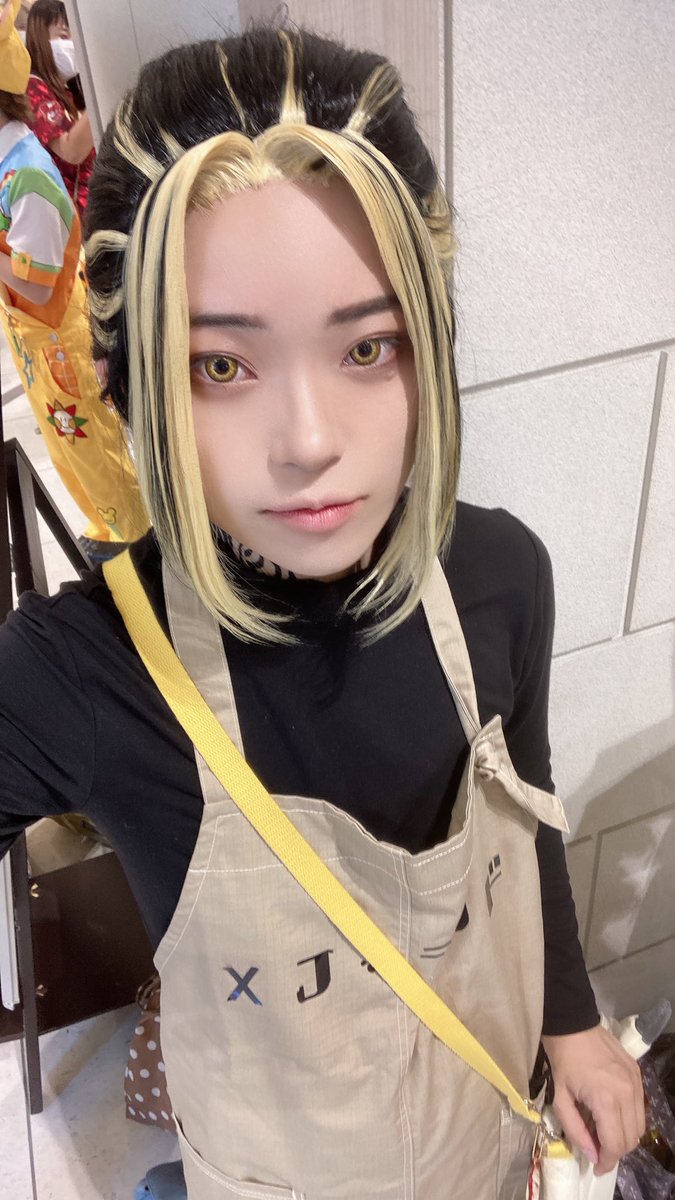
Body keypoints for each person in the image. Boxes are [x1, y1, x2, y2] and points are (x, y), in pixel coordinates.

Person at [0, 22, 644, 1200]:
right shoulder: (85, 673)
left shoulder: (503, 579)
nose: (307, 441)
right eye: (222, 366)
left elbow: (529, 813)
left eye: (368, 347)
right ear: (134, 381)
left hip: (485, 1141)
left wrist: (574, 1025)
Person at [0, 0, 148, 558]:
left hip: (59, 343)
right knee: (73, 453)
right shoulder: (8, 166)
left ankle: (132, 552)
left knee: (96, 457)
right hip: (39, 345)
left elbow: (37, 285)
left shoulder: (28, 176)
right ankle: (113, 535)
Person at [24, 0, 94, 216]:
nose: (71, 45)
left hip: (84, 212)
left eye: (74, 38)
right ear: (40, 38)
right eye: (63, 37)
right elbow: (70, 151)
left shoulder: (69, 94)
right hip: (62, 216)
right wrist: (99, 94)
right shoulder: (33, 88)